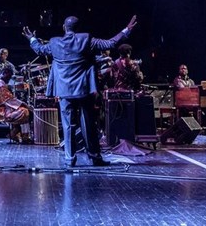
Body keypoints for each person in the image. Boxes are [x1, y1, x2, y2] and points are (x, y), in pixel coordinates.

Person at [22, 15, 137, 167]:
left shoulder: (55, 42)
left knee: (68, 125)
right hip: (83, 90)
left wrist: (32, 38)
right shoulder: (87, 39)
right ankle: (95, 157)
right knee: (88, 124)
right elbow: (111, 42)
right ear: (78, 28)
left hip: (64, 91)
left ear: (64, 27)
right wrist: (126, 30)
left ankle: (70, 159)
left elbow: (39, 50)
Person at [0, 66, 30, 142]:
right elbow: (8, 99)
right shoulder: (0, 83)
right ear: (4, 73)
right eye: (8, 77)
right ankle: (16, 133)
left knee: (16, 110)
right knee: (24, 111)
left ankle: (16, 132)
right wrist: (23, 104)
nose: (9, 79)